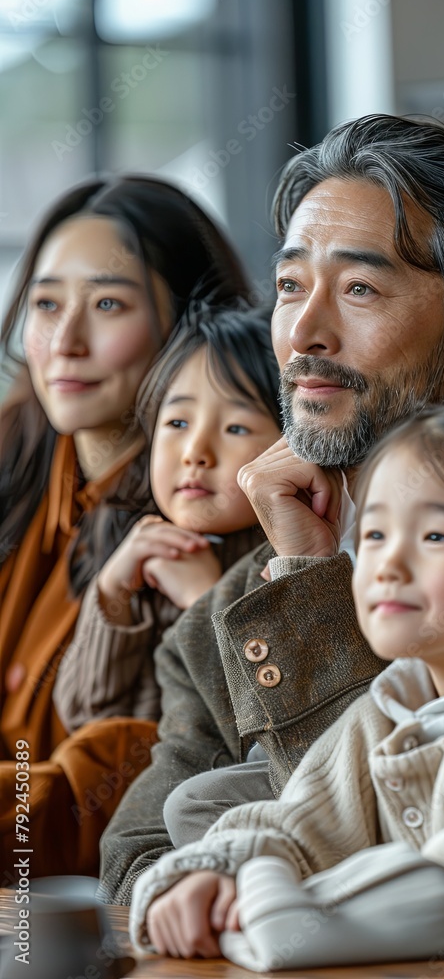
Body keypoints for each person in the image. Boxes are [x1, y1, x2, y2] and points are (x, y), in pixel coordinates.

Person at [100, 113, 444, 903]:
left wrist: (312, 595)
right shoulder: (225, 617)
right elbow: (133, 875)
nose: (304, 335)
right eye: (290, 286)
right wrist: (299, 571)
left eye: (359, 288)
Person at [130, 399, 444, 975]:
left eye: (434, 536)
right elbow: (302, 823)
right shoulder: (396, 699)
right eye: (374, 532)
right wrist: (204, 875)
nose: (387, 564)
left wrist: (267, 905)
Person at [0, 175, 249, 878]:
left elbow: (119, 791)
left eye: (108, 304)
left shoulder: (207, 524)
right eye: (46, 304)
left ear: (191, 326)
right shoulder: (11, 457)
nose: (64, 342)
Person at [54, 303, 282, 747]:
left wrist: (205, 603)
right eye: (177, 422)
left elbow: (264, 733)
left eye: (236, 428)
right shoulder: (147, 550)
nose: (194, 451)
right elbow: (84, 715)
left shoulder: (284, 567)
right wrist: (113, 595)